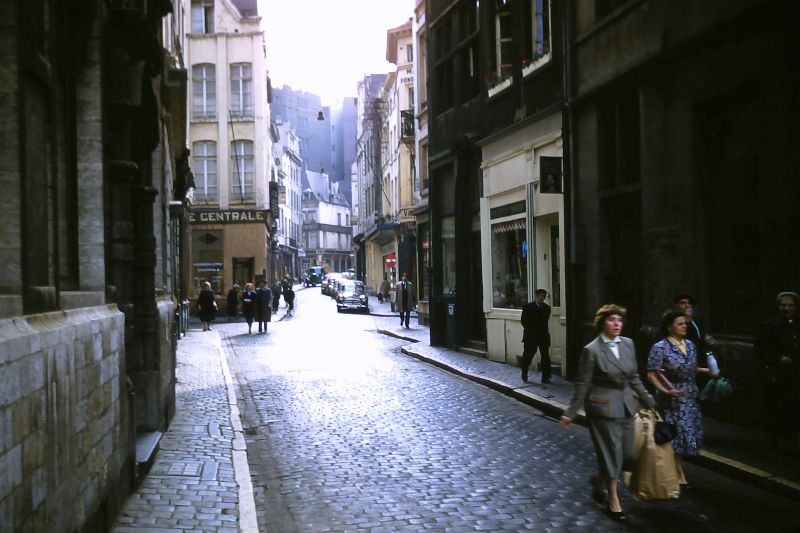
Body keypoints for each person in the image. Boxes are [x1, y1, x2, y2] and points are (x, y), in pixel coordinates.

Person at [560, 304, 655, 521]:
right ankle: (614, 500)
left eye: (619, 320)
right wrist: (571, 412)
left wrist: (648, 399)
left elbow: (634, 377)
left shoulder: (628, 344)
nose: (616, 324)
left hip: (628, 405)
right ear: (602, 323)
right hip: (603, 408)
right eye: (612, 320)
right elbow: (582, 383)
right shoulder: (592, 350)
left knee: (629, 456)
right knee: (612, 453)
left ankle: (599, 479)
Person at [647, 311, 710, 486]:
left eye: (685, 323)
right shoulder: (660, 347)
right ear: (669, 326)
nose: (684, 326)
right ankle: (677, 471)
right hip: (671, 396)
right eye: (680, 323)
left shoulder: (690, 345)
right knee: (677, 432)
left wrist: (708, 371)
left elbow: (691, 368)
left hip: (690, 393)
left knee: (688, 433)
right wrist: (664, 390)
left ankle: (676, 465)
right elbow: (652, 373)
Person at [754, 291, 799, 450]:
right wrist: (778, 358)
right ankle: (776, 437)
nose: (787, 309)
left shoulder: (796, 326)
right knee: (776, 405)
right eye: (783, 305)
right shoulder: (769, 326)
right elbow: (760, 349)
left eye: (790, 306)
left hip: (795, 373)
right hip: (777, 374)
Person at [520, 288, 552, 384]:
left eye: (543, 296)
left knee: (545, 357)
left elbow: (545, 321)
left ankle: (545, 377)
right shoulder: (528, 307)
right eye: (540, 296)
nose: (542, 298)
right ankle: (524, 372)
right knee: (528, 356)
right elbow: (523, 321)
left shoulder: (547, 308)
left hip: (543, 336)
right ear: (536, 296)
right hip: (531, 336)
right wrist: (531, 330)